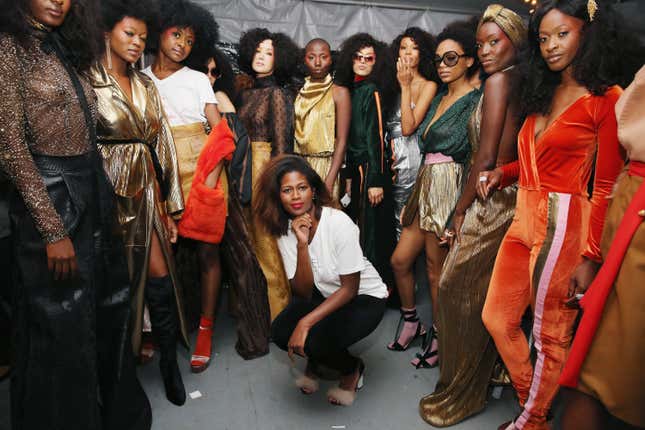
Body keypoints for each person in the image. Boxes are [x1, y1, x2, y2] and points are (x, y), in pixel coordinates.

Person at [477, 0, 639, 428]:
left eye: (562, 34)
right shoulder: (541, 91)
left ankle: (532, 419)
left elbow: (605, 185)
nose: (550, 46)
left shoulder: (606, 100)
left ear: (587, 33)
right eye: (543, 38)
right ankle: (535, 402)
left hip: (564, 221)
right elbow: (534, 162)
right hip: (522, 215)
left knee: (550, 335)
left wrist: (590, 255)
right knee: (496, 318)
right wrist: (502, 173)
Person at [0, 0, 151, 427]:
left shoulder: (66, 47)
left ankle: (110, 413)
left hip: (92, 186)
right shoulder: (9, 46)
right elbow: (10, 146)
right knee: (62, 324)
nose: (57, 1)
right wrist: (51, 230)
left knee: (109, 304)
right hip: (50, 193)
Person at [419, 5, 526, 427]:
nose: (484, 51)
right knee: (488, 294)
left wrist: (457, 213)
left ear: (515, 42)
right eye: (479, 44)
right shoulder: (521, 80)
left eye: (493, 42)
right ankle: (488, 372)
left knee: (453, 292)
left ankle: (462, 394)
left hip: (489, 201)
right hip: (510, 195)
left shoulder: (499, 81)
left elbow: (485, 157)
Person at [90, 0, 189, 406]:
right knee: (116, 284)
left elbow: (162, 140)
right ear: (106, 33)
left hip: (146, 184)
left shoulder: (146, 83)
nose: (137, 43)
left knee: (160, 276)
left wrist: (171, 203)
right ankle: (117, 372)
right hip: (105, 189)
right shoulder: (86, 79)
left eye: (143, 38)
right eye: (129, 34)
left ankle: (169, 365)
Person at [142, 0, 236, 374]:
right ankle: (153, 329)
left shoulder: (198, 79)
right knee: (158, 255)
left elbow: (222, 134)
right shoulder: (140, 79)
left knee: (207, 255)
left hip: (202, 173)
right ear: (159, 30)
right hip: (159, 175)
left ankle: (206, 329)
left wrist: (210, 181)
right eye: (176, 33)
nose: (182, 43)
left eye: (190, 38)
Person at [256, 155, 388, 406]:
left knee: (315, 338)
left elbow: (350, 290)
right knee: (281, 332)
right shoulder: (285, 230)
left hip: (364, 298)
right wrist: (302, 245)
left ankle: (351, 368)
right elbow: (303, 292)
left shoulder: (338, 223)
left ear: (313, 192)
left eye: (302, 188)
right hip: (324, 293)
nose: (296, 196)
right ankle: (319, 359)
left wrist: (305, 324)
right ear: (278, 196)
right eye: (287, 190)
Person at [388, 25, 481, 368]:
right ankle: (412, 319)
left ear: (470, 60)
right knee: (399, 261)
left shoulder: (477, 99)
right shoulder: (441, 96)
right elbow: (411, 128)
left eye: (451, 58)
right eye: (439, 58)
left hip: (449, 184)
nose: (442, 64)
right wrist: (403, 85)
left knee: (433, 270)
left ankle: (441, 336)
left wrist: (460, 210)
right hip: (425, 183)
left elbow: (476, 158)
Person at [559, 64, 645, 430]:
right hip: (629, 204)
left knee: (601, 372)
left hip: (633, 216)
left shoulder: (606, 97)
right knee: (598, 367)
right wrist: (594, 255)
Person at [237, 28, 299, 320]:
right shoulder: (246, 93)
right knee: (250, 246)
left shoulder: (277, 94)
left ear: (280, 59)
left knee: (269, 247)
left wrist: (278, 188)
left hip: (264, 173)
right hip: (241, 171)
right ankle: (259, 313)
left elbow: (284, 148)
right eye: (258, 51)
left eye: (269, 53)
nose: (261, 57)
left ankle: (282, 317)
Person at [335, 32, 397, 290]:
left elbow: (376, 139)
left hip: (369, 172)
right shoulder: (353, 89)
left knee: (371, 235)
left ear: (376, 63)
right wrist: (349, 178)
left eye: (368, 58)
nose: (362, 62)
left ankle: (376, 289)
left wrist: (375, 181)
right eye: (357, 57)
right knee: (357, 232)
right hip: (356, 172)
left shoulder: (371, 91)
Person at [387, 28, 438, 239]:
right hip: (391, 155)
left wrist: (406, 86)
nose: (408, 53)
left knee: (405, 217)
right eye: (403, 47)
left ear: (423, 53)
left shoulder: (428, 85)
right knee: (392, 218)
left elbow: (408, 127)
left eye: (414, 48)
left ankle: (406, 265)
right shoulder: (390, 81)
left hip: (410, 156)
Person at [294, 38, 351, 202]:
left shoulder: (339, 92)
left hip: (326, 165)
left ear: (331, 59)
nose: (317, 62)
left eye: (323, 56)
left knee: (324, 218)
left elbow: (342, 140)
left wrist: (330, 178)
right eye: (311, 57)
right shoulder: (296, 92)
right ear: (304, 60)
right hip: (299, 164)